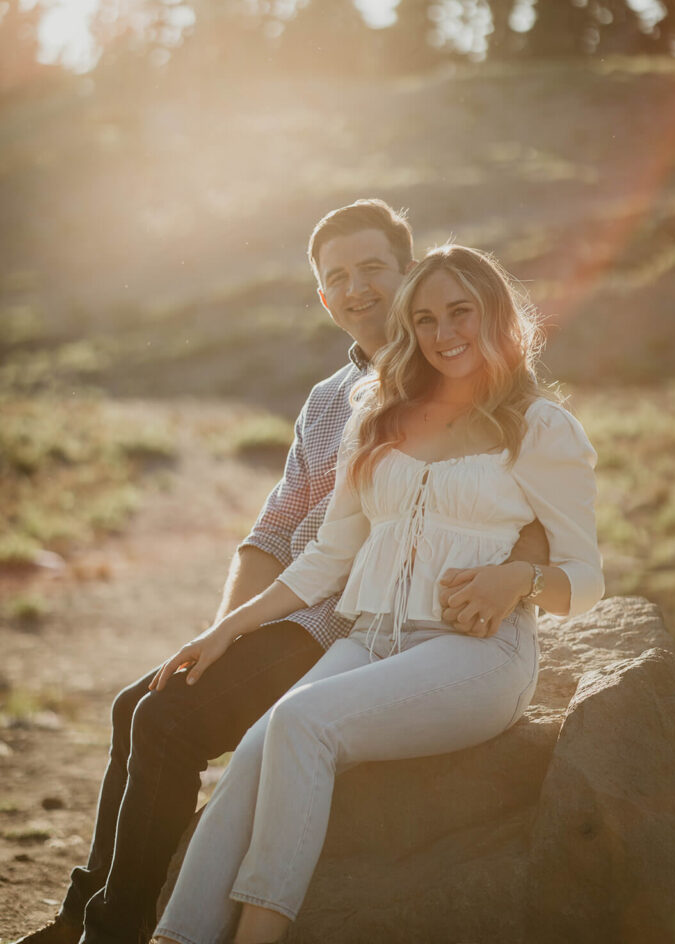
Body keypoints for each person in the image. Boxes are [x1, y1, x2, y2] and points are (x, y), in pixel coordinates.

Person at [13, 202, 548, 944]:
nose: (357, 289)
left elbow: (528, 513)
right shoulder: (328, 398)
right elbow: (272, 529)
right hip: (281, 611)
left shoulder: (449, 387)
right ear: (324, 300)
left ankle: (115, 929)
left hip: (339, 626)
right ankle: (81, 914)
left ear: (409, 272)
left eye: (372, 269)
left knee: (163, 721)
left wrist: (518, 572)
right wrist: (224, 633)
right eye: (337, 279)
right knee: (140, 700)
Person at [152, 244, 604, 944]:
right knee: (255, 748)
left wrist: (521, 577)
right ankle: (176, 937)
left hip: (476, 654)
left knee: (304, 724)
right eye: (425, 319)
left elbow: (585, 581)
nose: (444, 332)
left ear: (497, 315)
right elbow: (327, 557)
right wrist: (225, 630)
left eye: (461, 312)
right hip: (369, 639)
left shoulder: (542, 427)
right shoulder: (380, 416)